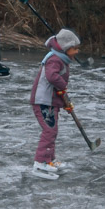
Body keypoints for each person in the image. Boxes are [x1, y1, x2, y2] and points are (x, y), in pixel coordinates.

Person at [28, 29, 81, 180]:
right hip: (43, 102)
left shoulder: (61, 59)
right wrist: (63, 86)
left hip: (51, 102)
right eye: (75, 48)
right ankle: (41, 161)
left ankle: (49, 159)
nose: (77, 51)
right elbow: (53, 78)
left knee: (52, 130)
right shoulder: (54, 59)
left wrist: (66, 102)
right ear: (66, 47)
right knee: (49, 131)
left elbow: (59, 88)